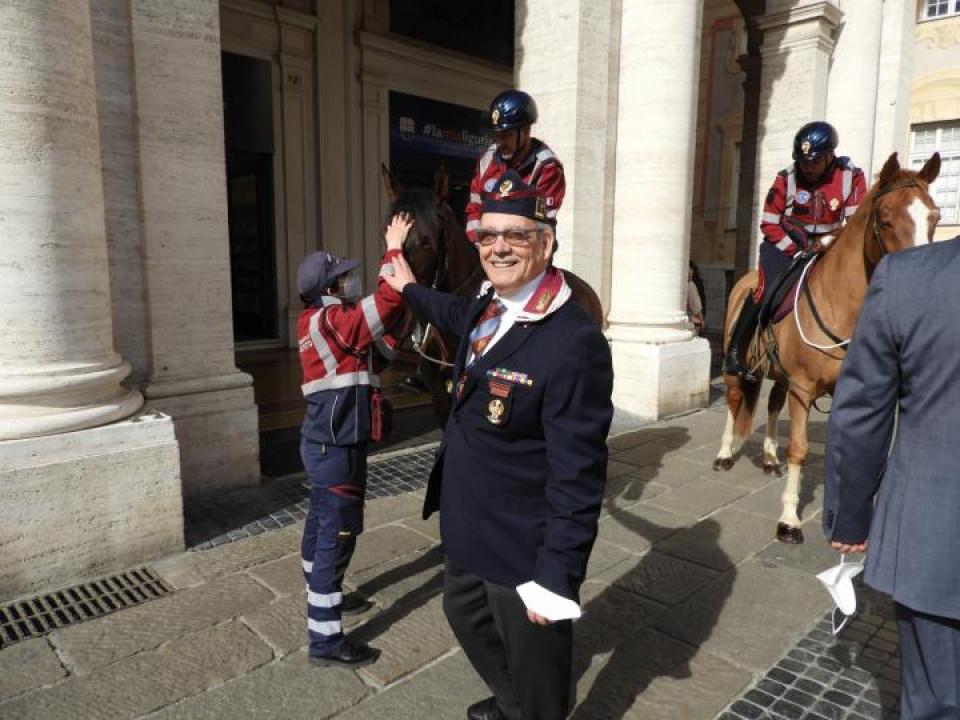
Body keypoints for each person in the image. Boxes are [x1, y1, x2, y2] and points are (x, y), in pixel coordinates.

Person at [384, 170, 613, 720]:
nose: (499, 247)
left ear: (546, 242)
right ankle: (510, 704)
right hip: (467, 526)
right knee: (463, 612)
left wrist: (557, 577)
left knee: (539, 677)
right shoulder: (488, 304)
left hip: (521, 546)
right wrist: (406, 281)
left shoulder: (573, 343)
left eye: (516, 234)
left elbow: (578, 475)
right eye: (487, 236)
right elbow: (450, 311)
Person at [822, 237, 960, 719]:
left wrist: (850, 517)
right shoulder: (798, 177)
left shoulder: (906, 276)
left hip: (937, 543)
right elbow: (777, 217)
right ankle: (742, 350)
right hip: (798, 239)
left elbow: (860, 411)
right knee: (769, 291)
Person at [296, 213, 412, 668]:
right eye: (343, 277)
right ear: (327, 287)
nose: (350, 282)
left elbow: (379, 351)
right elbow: (380, 305)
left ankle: (322, 594)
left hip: (334, 445)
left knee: (322, 522)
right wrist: (395, 248)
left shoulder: (332, 326)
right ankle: (325, 640)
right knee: (337, 536)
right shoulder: (327, 321)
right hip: (335, 448)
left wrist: (407, 309)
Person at [723, 121, 867, 377]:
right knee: (764, 288)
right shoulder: (786, 178)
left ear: (830, 155)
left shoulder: (851, 177)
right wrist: (795, 249)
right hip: (785, 243)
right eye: (803, 161)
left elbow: (855, 224)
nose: (807, 167)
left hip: (829, 245)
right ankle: (735, 350)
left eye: (814, 161)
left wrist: (827, 244)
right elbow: (769, 222)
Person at [465, 90, 565, 244]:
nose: (499, 142)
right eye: (496, 135)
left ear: (525, 131)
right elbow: (474, 209)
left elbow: (541, 225)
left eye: (506, 135)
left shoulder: (547, 168)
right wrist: (481, 244)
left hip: (528, 252)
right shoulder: (486, 159)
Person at [687, 261, 705, 335]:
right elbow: (696, 305)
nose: (691, 272)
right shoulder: (690, 285)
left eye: (691, 270)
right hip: (691, 322)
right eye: (689, 269)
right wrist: (702, 320)